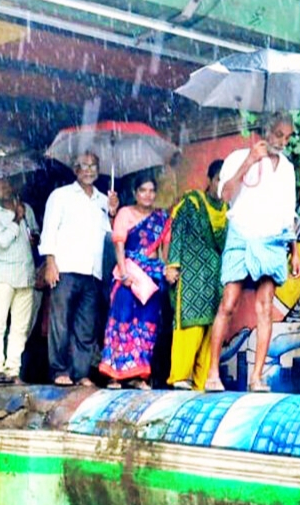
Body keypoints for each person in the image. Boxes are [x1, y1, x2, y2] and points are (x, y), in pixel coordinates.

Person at [205, 114, 300, 392]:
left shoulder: (287, 168)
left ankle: (256, 377)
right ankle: (213, 373)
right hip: (242, 233)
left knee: (265, 306)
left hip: (273, 238)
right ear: (264, 131)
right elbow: (225, 195)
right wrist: (250, 161)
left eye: (287, 137)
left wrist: (294, 251)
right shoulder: (237, 157)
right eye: (279, 135)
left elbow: (288, 212)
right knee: (229, 302)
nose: (283, 142)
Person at [40, 151, 117, 386]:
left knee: (86, 326)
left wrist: (113, 212)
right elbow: (49, 230)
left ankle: (81, 373)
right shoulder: (60, 196)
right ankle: (59, 371)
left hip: (92, 272)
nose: (89, 170)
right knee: (61, 322)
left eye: (94, 165)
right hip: (66, 268)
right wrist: (50, 263)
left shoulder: (104, 200)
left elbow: (111, 235)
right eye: (84, 165)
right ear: (75, 170)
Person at [98, 174, 170, 389]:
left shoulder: (162, 218)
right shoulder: (125, 213)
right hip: (128, 274)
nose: (147, 195)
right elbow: (119, 244)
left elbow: (164, 252)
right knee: (122, 321)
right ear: (135, 193)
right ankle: (115, 375)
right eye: (143, 191)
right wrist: (123, 272)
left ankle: (139, 375)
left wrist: (162, 272)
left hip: (151, 279)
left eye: (151, 191)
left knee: (146, 325)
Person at [165, 160, 228, 391]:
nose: (222, 184)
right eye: (219, 179)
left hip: (216, 277)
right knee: (190, 324)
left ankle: (202, 382)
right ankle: (180, 375)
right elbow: (177, 231)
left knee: (213, 328)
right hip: (191, 273)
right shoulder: (191, 202)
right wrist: (172, 264)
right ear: (210, 180)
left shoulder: (229, 210)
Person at [0, 178, 38, 383]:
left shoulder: (26, 209)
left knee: (20, 327)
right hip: (4, 274)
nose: (5, 187)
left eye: (7, 183)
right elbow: (3, 241)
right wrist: (17, 219)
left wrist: (34, 236)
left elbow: (34, 233)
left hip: (26, 272)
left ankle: (13, 370)